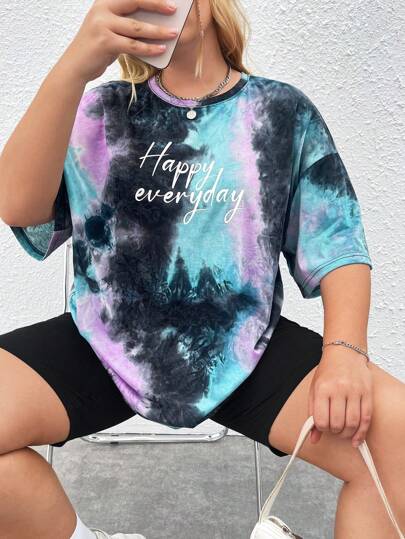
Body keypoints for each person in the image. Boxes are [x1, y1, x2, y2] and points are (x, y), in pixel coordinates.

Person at [0, 0, 404, 538]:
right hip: (105, 341)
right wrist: (76, 64)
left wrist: (346, 352)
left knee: (398, 438)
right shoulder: (99, 111)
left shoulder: (279, 112)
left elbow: (337, 240)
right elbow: (18, 207)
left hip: (242, 347)